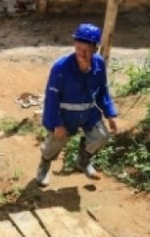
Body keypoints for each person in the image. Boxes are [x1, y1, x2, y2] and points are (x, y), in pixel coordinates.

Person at [35, 24, 118, 187]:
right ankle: (44, 166)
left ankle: (83, 160)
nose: (81, 53)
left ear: (95, 48)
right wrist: (57, 124)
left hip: (88, 113)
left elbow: (103, 90)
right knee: (53, 145)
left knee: (102, 136)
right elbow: (51, 98)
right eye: (78, 48)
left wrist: (110, 114)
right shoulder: (60, 68)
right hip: (64, 116)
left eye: (86, 50)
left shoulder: (99, 64)